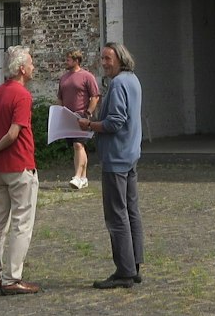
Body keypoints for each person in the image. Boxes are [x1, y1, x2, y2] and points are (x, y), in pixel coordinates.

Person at [79, 43, 144, 288]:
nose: (104, 62)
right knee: (131, 211)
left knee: (117, 214)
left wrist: (90, 125)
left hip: (117, 157)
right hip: (130, 154)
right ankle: (134, 265)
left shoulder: (118, 84)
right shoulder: (133, 80)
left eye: (108, 58)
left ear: (120, 59)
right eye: (102, 58)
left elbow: (116, 121)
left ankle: (125, 272)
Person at [0, 45, 40, 295]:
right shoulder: (22, 95)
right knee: (21, 222)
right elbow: (14, 133)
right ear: (22, 68)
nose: (34, 67)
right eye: (32, 63)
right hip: (19, 164)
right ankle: (11, 278)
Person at [57, 49, 99, 190]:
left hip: (81, 116)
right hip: (68, 117)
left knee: (78, 145)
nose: (66, 62)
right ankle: (83, 178)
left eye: (69, 59)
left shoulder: (87, 76)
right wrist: (61, 112)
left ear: (76, 61)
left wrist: (88, 113)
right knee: (78, 147)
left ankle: (77, 176)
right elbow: (60, 97)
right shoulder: (63, 78)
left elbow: (95, 96)